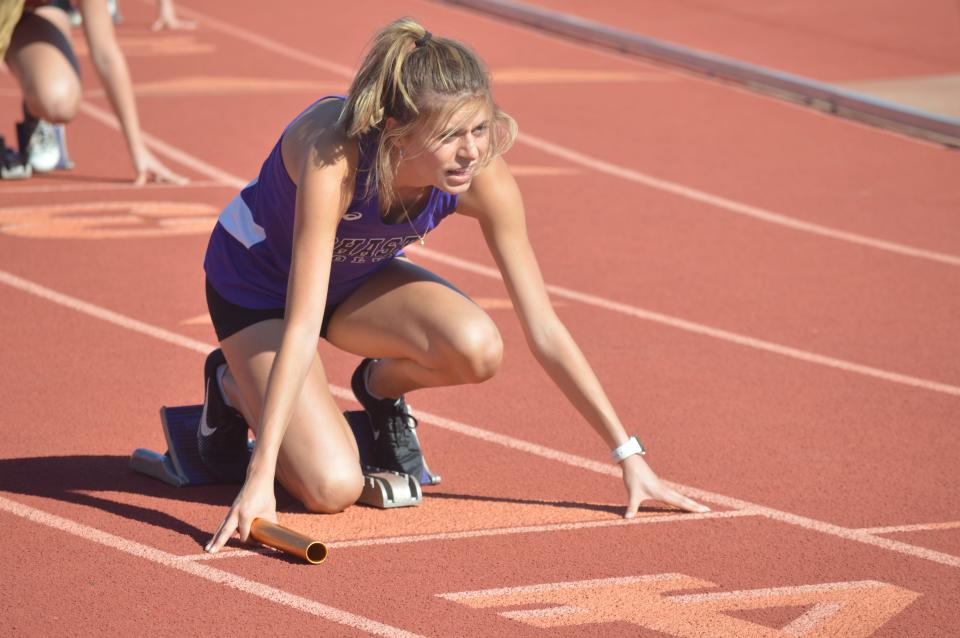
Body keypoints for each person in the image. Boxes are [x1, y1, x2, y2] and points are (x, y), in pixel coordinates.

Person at [202, 17, 707, 554]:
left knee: (478, 348)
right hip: (259, 292)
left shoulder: (483, 175)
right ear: (396, 130)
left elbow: (544, 327)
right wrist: (260, 475)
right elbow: (302, 324)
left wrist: (628, 455)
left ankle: (377, 390)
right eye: (449, 136)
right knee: (332, 488)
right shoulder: (336, 158)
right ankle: (232, 385)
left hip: (353, 282)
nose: (471, 152)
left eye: (480, 128)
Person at [1, 0, 185, 183]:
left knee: (59, 101)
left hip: (24, 21)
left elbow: (106, 55)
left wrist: (138, 150)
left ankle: (37, 114)